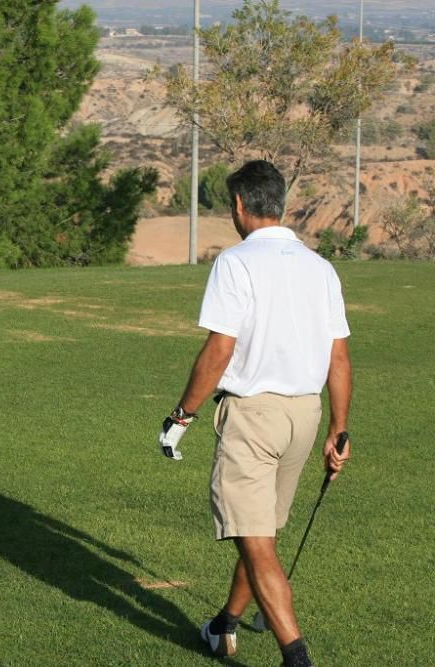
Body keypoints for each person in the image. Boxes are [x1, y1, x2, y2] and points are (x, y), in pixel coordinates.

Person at [157, 160, 352, 667]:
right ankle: (225, 625)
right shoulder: (321, 268)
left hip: (254, 417)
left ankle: (296, 655)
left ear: (240, 206)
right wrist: (339, 429)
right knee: (260, 530)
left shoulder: (235, 262)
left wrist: (182, 416)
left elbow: (220, 348)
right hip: (305, 417)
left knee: (256, 539)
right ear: (281, 203)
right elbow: (339, 356)